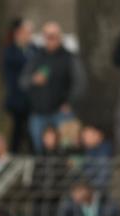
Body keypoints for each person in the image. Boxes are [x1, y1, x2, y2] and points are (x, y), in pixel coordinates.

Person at [20, 22, 87, 152]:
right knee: (39, 150)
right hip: (38, 113)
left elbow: (80, 83)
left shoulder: (69, 57)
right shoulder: (36, 57)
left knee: (67, 148)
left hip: (62, 113)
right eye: (48, 36)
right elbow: (23, 81)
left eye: (54, 36)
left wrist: (69, 102)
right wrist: (34, 80)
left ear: (60, 37)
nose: (50, 39)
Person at [3, 18, 36, 153]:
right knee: (17, 131)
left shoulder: (34, 49)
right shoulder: (11, 51)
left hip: (32, 100)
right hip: (17, 99)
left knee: (31, 133)